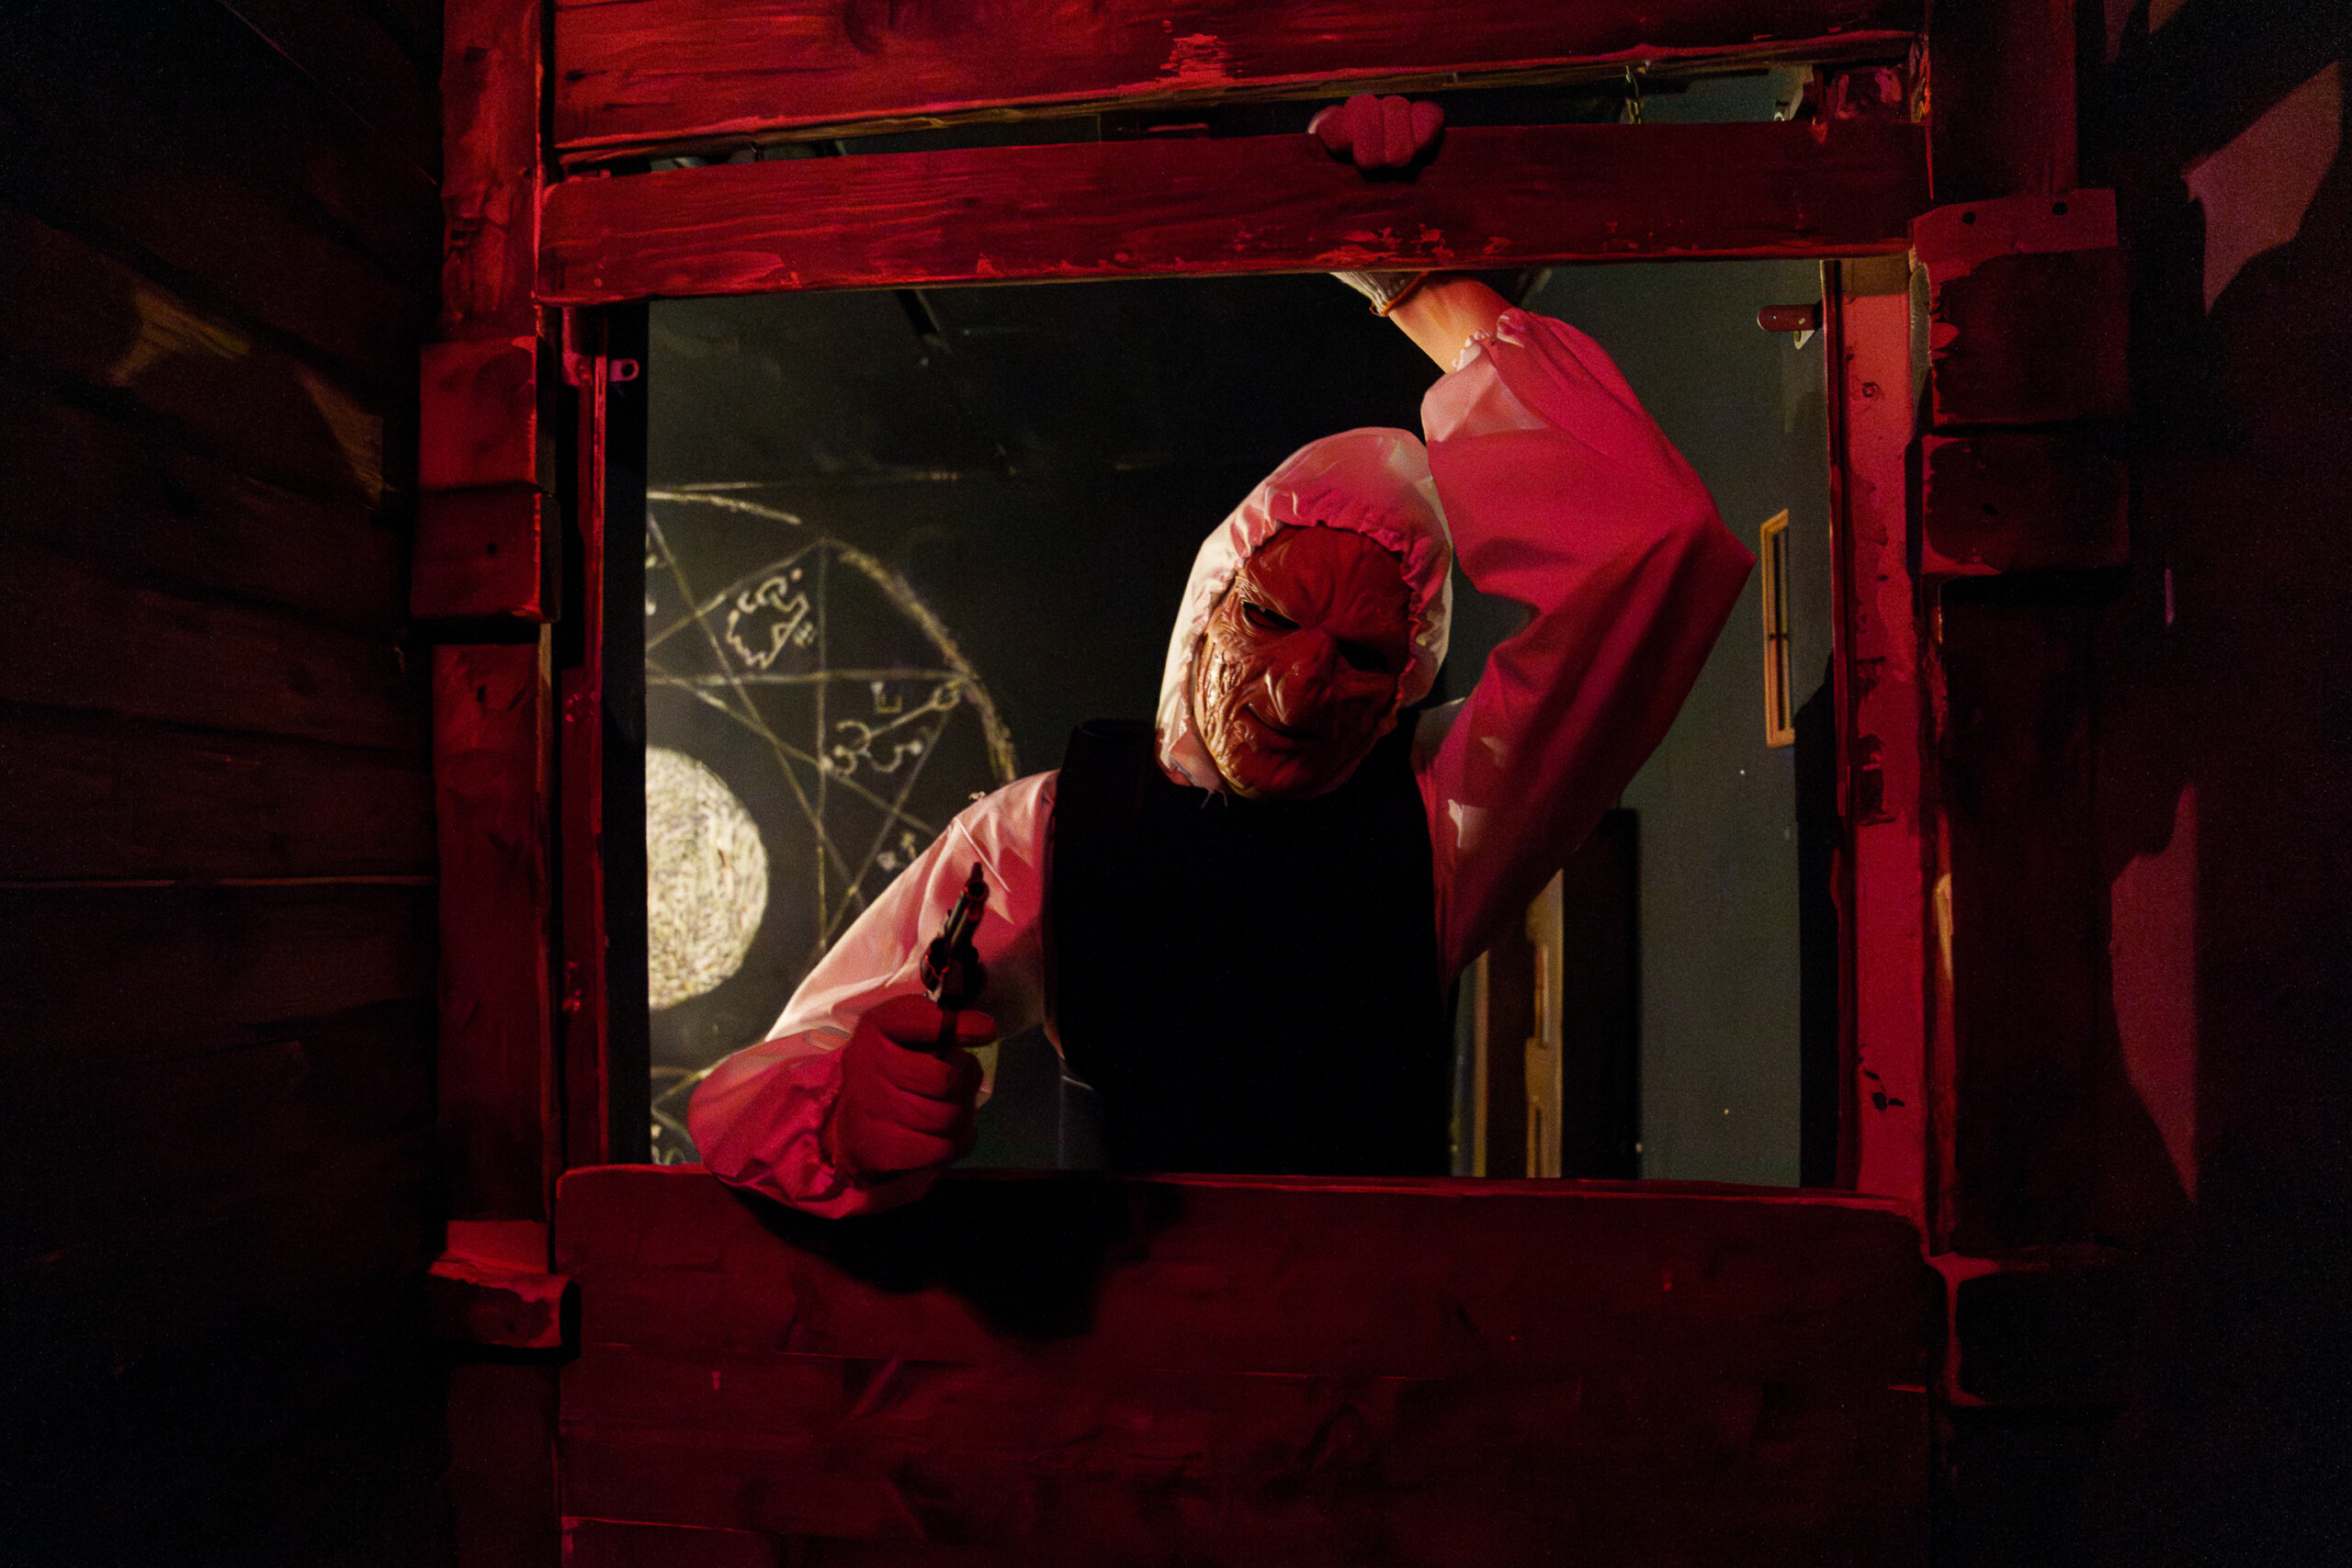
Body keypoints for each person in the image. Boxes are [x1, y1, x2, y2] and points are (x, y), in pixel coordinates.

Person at [690, 96, 1754, 1217]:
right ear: (1206, 611)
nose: (1299, 688)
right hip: (1125, 1318)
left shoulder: (1446, 816)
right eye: (1271, 620)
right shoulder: (1039, 836)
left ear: (1402, 688)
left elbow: (1654, 545)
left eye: (1360, 655)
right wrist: (851, 1115)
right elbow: (787, 1074)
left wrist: (1417, 278)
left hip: (1382, 1314)